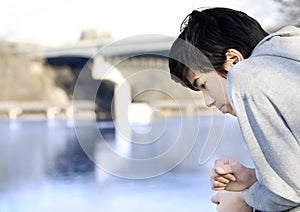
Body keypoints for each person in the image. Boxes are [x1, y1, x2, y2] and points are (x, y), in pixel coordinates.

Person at [168, 7, 300, 212]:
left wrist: (245, 201)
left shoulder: (247, 75)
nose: (208, 101)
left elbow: (290, 193)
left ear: (233, 61)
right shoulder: (288, 61)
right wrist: (253, 178)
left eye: (202, 84)